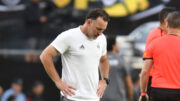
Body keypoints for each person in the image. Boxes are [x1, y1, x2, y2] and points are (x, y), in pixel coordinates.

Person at [40, 8, 110, 101]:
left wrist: (105, 80)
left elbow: (103, 60)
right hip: (72, 98)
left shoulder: (102, 39)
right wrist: (58, 82)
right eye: (98, 29)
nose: (100, 33)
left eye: (103, 30)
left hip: (93, 98)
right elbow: (45, 56)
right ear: (89, 22)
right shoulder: (69, 36)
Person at [139, 11, 180, 101]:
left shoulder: (154, 43)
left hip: (158, 90)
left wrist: (143, 92)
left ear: (167, 25)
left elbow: (144, 72)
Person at [101, 36, 133, 101]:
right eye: (117, 44)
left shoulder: (100, 61)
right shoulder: (121, 61)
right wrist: (130, 98)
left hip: (102, 97)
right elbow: (128, 84)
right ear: (114, 46)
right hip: (119, 98)